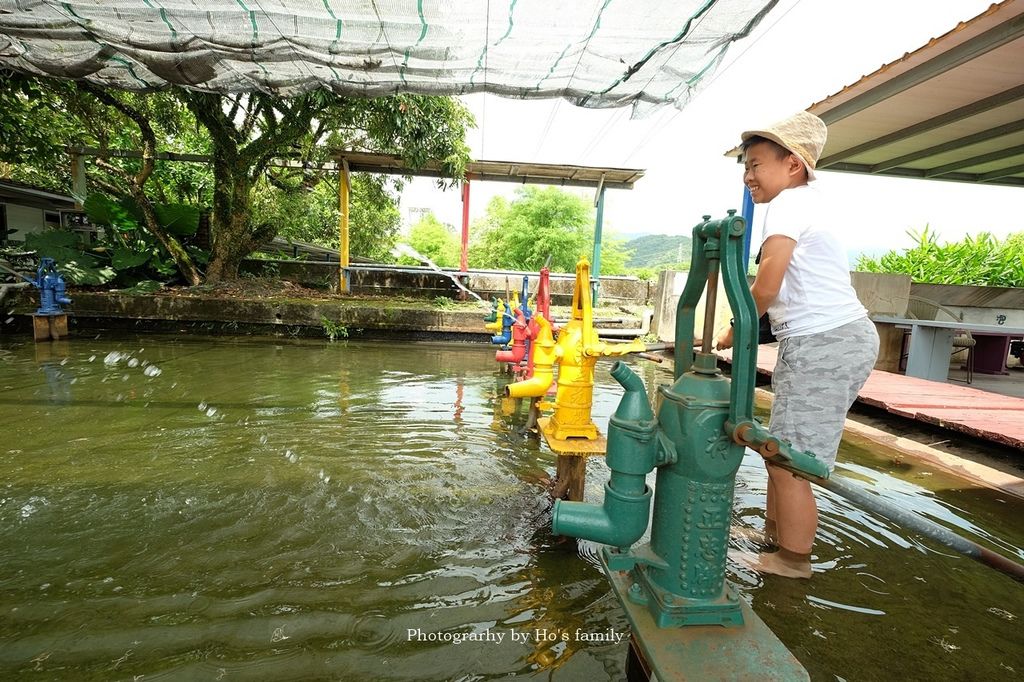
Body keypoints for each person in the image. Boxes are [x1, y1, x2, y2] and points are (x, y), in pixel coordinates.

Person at [715, 111, 879, 579]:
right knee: (780, 452)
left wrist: (731, 332)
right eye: (745, 166)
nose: (748, 176)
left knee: (790, 461)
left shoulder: (788, 205)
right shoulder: (807, 201)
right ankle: (776, 536)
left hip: (826, 341)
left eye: (756, 165)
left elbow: (766, 286)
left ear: (792, 164)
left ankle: (793, 561)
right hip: (820, 340)